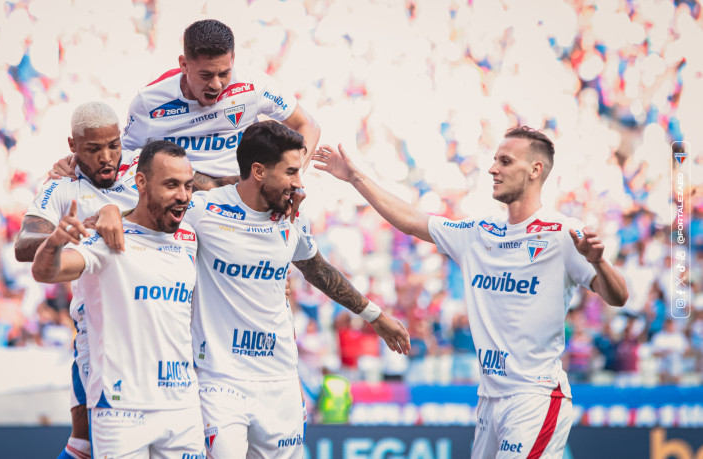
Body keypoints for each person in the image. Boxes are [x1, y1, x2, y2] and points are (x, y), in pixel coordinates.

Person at [313, 126, 629, 458]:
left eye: (505, 161)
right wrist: (355, 177)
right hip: (489, 399)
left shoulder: (564, 232)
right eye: (495, 160)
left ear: (536, 170)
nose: (493, 169)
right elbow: (412, 220)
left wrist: (601, 263)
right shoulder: (478, 232)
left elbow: (618, 297)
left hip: (535, 398)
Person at [183, 120, 410, 458]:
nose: (298, 183)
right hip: (220, 381)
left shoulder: (292, 217)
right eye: (291, 171)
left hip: (281, 381)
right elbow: (151, 201)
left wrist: (374, 316)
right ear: (258, 171)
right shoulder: (202, 210)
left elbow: (317, 269)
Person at [32, 140, 205, 458]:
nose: (183, 196)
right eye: (171, 185)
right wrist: (55, 240)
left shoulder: (191, 237)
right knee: (80, 445)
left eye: (188, 186)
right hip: (122, 409)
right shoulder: (108, 237)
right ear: (141, 183)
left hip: (183, 407)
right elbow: (47, 272)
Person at [15, 101, 138, 459]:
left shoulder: (142, 168)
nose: (107, 157)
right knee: (85, 441)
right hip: (101, 334)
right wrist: (73, 234)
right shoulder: (62, 188)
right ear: (73, 147)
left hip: (160, 316)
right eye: (93, 149)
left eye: (113, 145)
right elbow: (24, 246)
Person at [122, 19, 320, 191]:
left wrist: (294, 172)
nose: (216, 84)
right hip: (185, 199)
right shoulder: (149, 102)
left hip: (245, 194)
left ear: (233, 60)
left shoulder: (253, 84)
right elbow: (126, 157)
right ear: (184, 64)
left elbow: (308, 125)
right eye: (206, 75)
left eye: (225, 73)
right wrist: (197, 181)